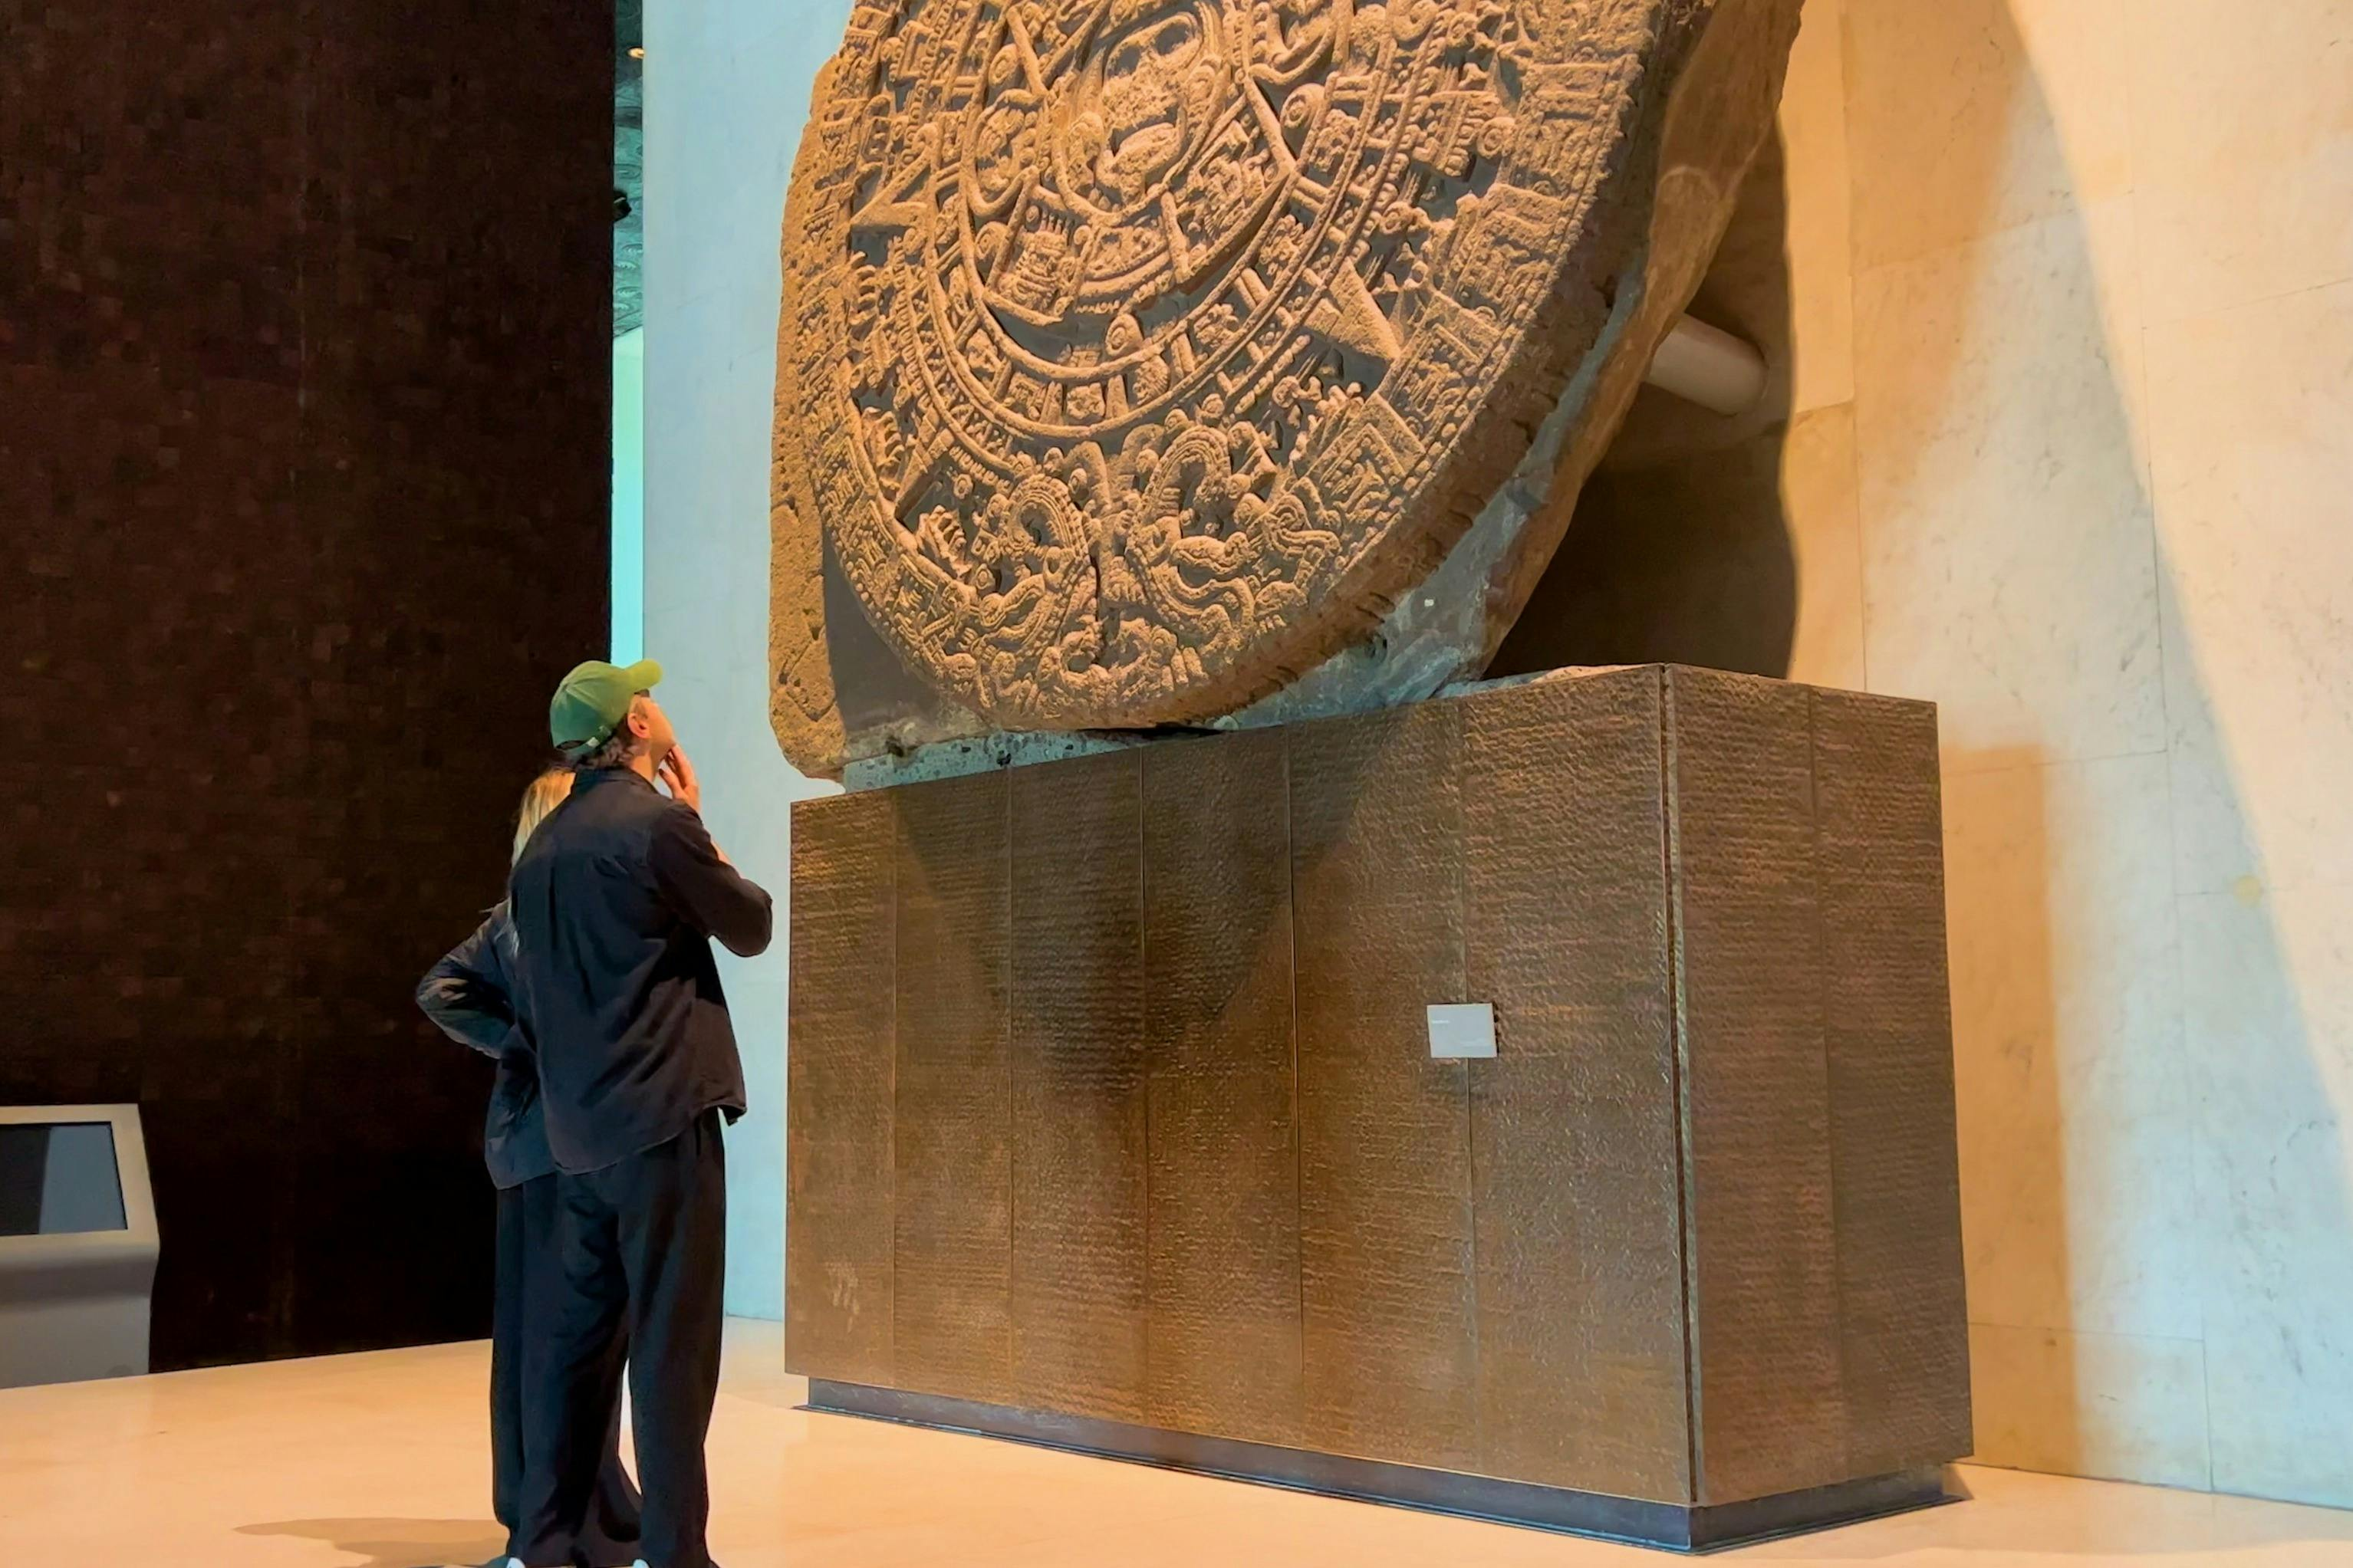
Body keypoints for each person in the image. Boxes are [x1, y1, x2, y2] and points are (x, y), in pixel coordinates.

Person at [505, 659, 772, 1568]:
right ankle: (674, 1553)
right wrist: (694, 819)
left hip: (578, 1135)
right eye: (646, 700)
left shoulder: (539, 852)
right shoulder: (658, 828)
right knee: (672, 1345)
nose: (658, 707)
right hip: (662, 1119)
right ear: (634, 726)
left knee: (579, 1351)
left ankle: (544, 1543)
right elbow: (749, 923)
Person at [416, 768, 644, 1568]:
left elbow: (438, 988)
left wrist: (513, 1041)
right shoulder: (556, 920)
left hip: (525, 1154)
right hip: (571, 1150)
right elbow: (438, 989)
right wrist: (528, 1043)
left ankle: (547, 1512)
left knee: (536, 1345)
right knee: (575, 1344)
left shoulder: (514, 919)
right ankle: (577, 1517)